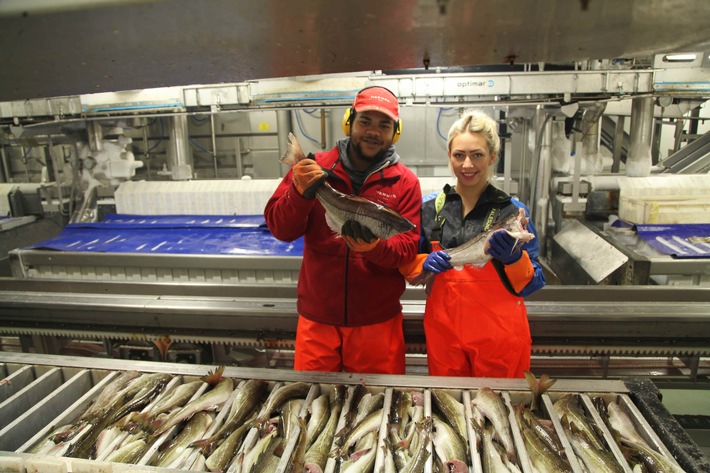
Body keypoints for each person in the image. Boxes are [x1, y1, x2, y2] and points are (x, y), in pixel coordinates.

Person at [264, 86, 422, 374]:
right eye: (365, 122)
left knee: (376, 407)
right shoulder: (314, 167)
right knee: (313, 405)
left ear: (395, 132)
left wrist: (375, 249)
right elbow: (280, 228)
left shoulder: (406, 182)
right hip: (318, 320)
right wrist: (299, 194)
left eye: (384, 125)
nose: (373, 131)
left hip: (377, 324)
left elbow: (407, 248)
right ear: (350, 122)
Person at [400, 110, 545, 378]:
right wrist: (424, 262)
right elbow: (408, 261)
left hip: (500, 339)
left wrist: (514, 261)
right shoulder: (431, 208)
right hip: (445, 337)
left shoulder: (512, 212)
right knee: (449, 414)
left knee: (500, 414)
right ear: (449, 156)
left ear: (491, 157)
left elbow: (535, 281)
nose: (467, 164)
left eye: (477, 155)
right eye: (459, 155)